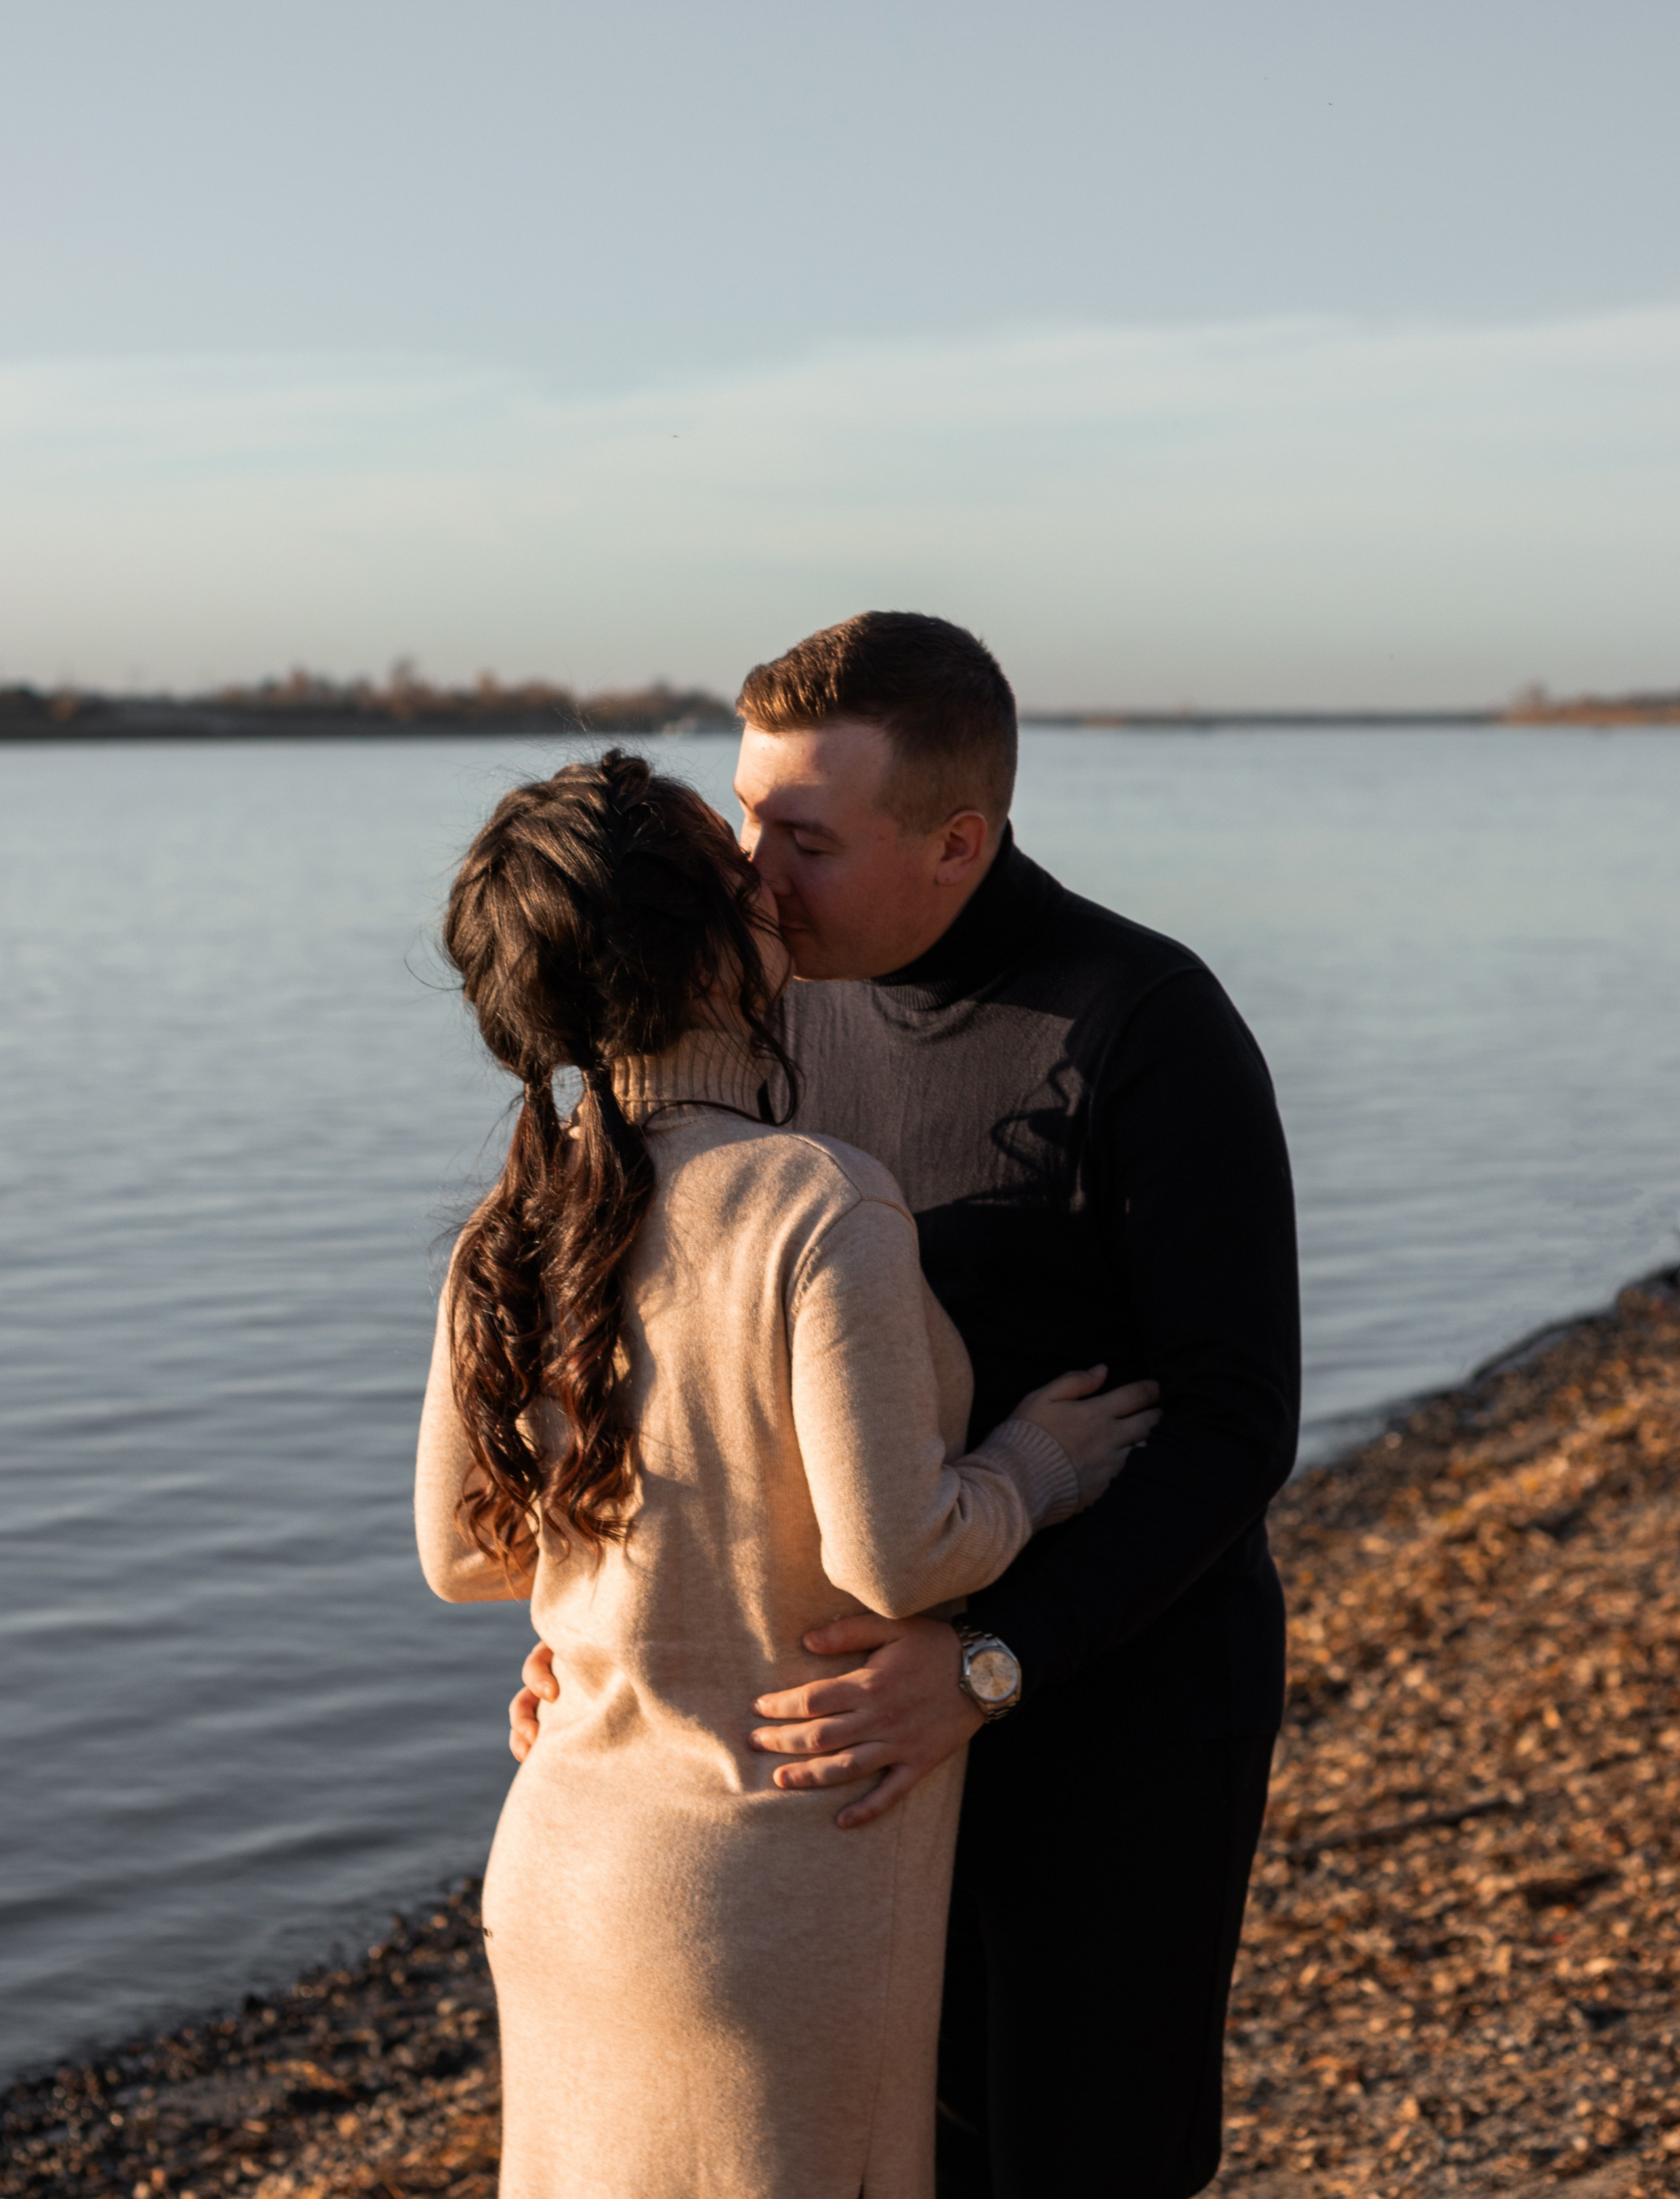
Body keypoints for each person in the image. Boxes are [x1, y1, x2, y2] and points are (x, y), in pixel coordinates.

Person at [511, 614, 1301, 2199]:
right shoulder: (754, 1025)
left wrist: (993, 1663)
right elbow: (666, 1358)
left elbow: (1233, 1427)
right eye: (742, 819)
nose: (746, 874)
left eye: (800, 838)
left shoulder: (1146, 1026)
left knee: (1078, 2162)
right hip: (843, 1744)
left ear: (957, 840)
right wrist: (595, 1639)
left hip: (1112, 1708)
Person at [415, 749, 1159, 2199]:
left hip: (561, 1861)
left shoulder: (515, 1218)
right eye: (735, 869)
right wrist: (1035, 1463)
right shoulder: (810, 1201)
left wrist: (609, 1621)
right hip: (765, 1899)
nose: (771, 886)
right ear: (711, 949)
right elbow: (898, 1554)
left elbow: (464, 1554)